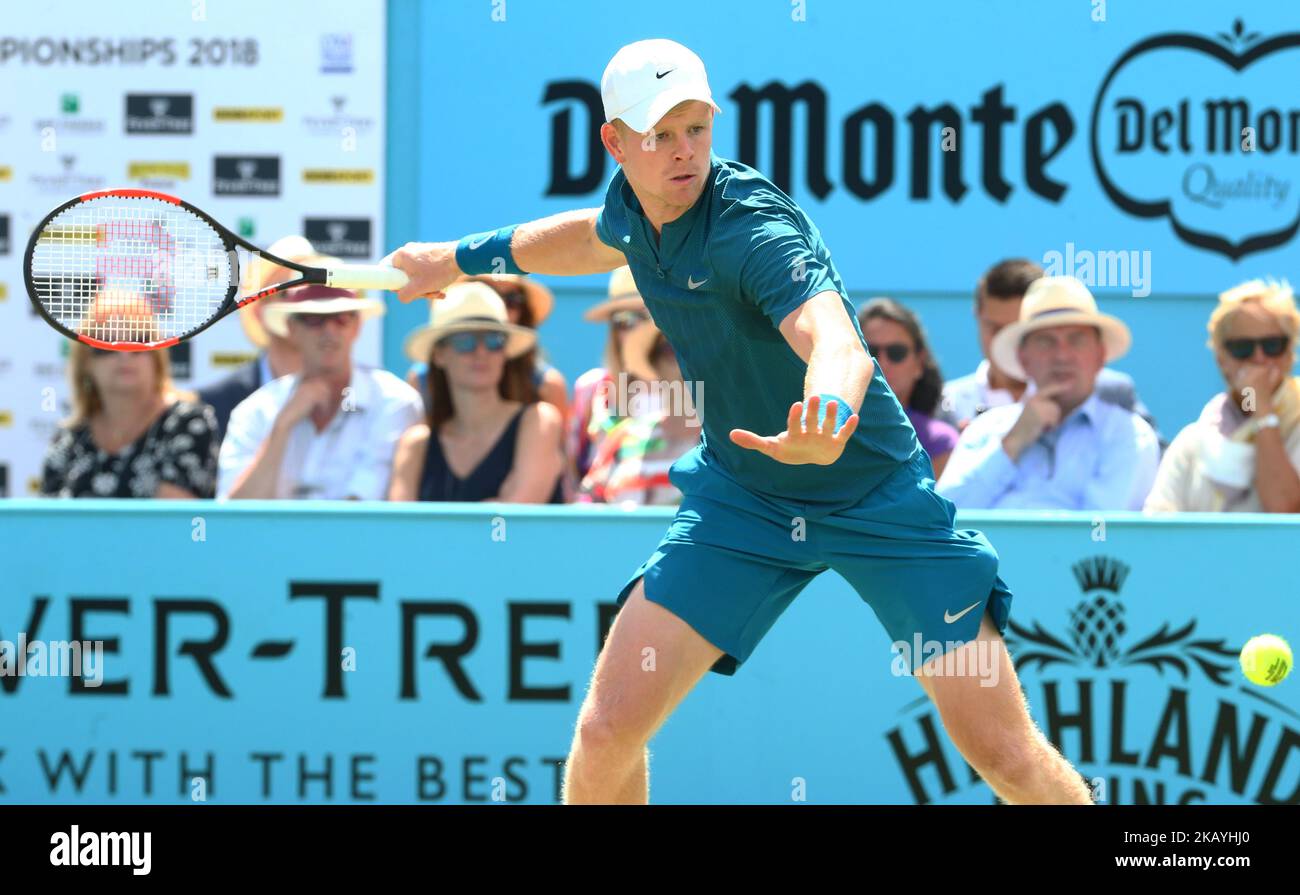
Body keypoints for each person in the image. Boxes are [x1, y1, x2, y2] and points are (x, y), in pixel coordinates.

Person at [384, 38, 1091, 805]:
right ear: (615, 143)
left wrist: (826, 412)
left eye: (697, 128)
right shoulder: (634, 204)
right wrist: (457, 259)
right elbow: (592, 235)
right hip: (744, 501)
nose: (684, 151)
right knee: (606, 731)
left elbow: (837, 344)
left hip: (876, 497)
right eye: (660, 134)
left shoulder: (752, 231)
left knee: (1004, 754)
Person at [937, 276, 1160, 510]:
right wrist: (1012, 443)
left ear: (1100, 354)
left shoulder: (1129, 434)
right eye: (1045, 341)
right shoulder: (984, 429)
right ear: (1024, 358)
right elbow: (944, 518)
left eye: (1077, 340)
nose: (1062, 355)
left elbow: (1101, 536)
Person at [217, 278, 422, 500]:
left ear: (357, 326)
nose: (329, 330)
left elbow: (364, 506)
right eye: (314, 319)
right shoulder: (255, 410)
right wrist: (282, 426)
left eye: (342, 318)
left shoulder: (394, 401)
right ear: (291, 328)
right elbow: (235, 513)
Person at [940, 258, 1161, 443]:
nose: (1003, 341)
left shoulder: (1110, 391)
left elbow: (1158, 467)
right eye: (995, 328)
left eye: (1016, 330)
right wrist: (964, 455)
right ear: (977, 316)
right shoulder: (944, 402)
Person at [388, 281, 565, 502]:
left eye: (494, 340)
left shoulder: (540, 421)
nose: (481, 352)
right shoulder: (416, 445)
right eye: (465, 341)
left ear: (505, 353)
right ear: (439, 355)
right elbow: (400, 529)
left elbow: (516, 515)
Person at [1145, 279, 1300, 513]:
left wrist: (1263, 413)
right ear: (1221, 359)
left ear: (1290, 354)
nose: (1258, 358)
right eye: (1242, 348)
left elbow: (1284, 510)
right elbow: (1158, 531)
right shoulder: (1193, 442)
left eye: (1272, 345)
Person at [41, 300, 218, 499]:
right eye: (105, 343)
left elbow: (173, 522)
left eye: (138, 341)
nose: (124, 354)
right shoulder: (68, 438)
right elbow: (48, 524)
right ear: (86, 363)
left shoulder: (188, 422)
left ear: (157, 356)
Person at [405, 274, 569, 421]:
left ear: (523, 311)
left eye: (512, 299)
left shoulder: (546, 385)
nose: (501, 306)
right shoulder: (422, 381)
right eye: (487, 291)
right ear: (439, 355)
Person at [197, 235, 309, 445]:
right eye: (286, 293)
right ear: (258, 310)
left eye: (310, 293)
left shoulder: (349, 395)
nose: (301, 304)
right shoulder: (211, 405)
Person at [577, 319, 701, 505]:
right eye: (668, 348)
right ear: (652, 362)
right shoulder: (623, 437)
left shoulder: (731, 437)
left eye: (690, 347)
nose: (680, 359)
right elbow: (590, 503)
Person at [569, 265, 659, 482]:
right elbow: (571, 473)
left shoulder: (698, 389)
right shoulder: (592, 387)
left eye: (649, 316)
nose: (639, 330)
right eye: (625, 320)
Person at [857, 297, 959, 478]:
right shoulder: (826, 427)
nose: (882, 363)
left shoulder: (940, 441)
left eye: (897, 353)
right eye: (870, 351)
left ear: (920, 362)